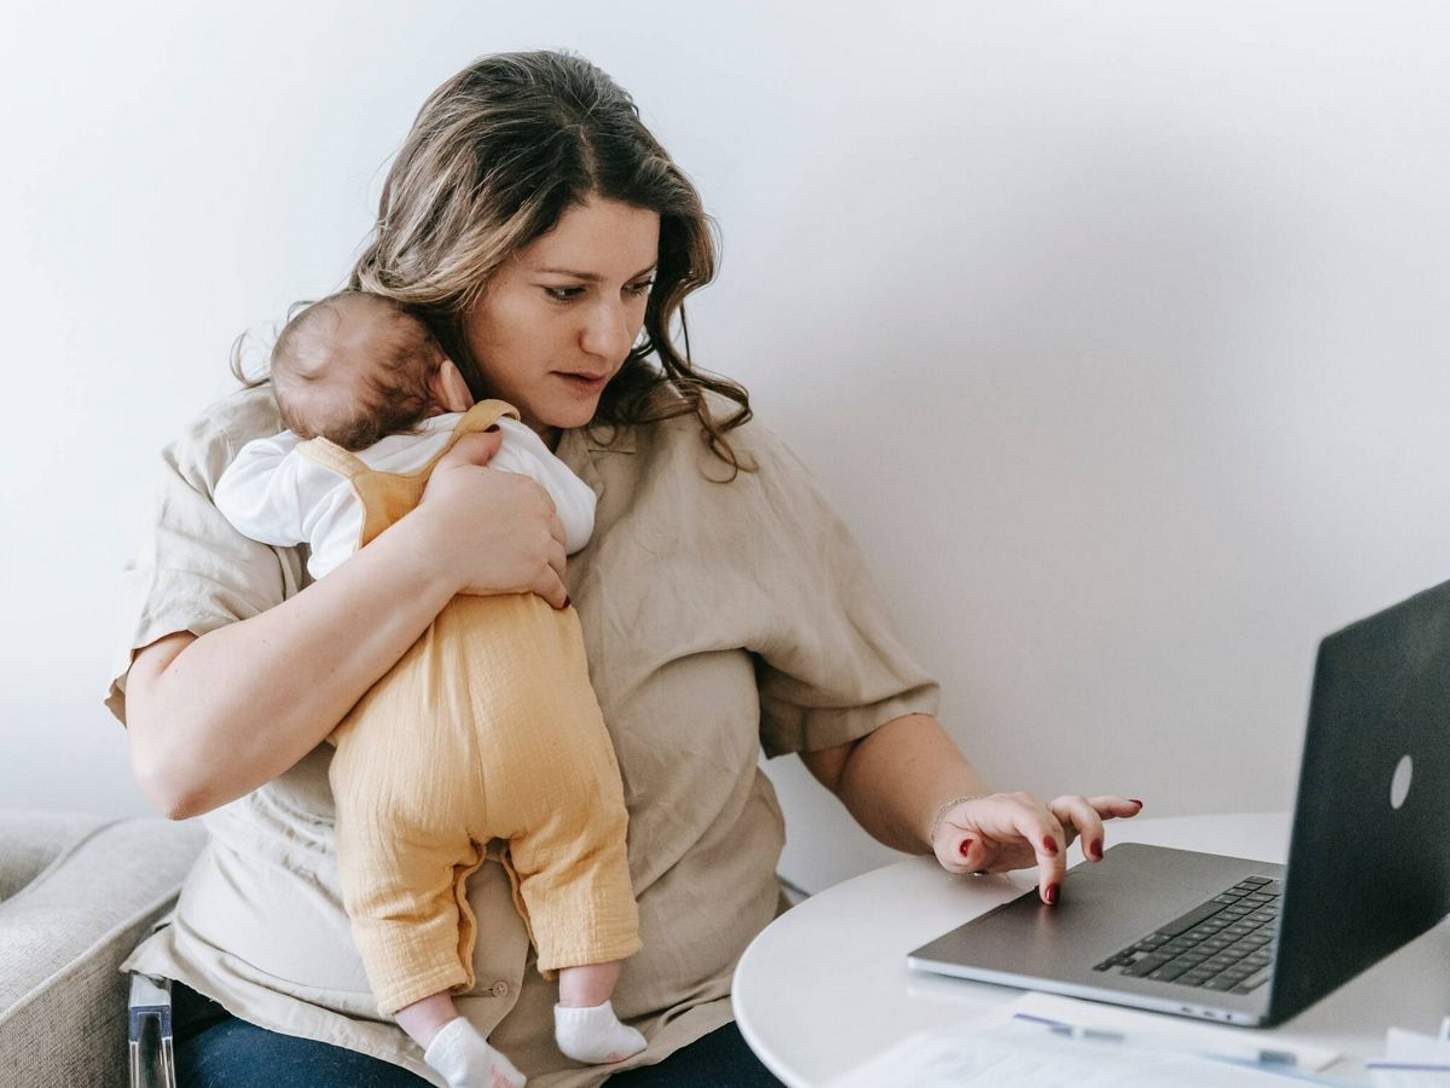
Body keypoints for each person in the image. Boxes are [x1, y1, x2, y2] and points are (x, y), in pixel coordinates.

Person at [109, 49, 1142, 1087]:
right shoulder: (260, 462)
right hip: (329, 1023)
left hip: (682, 1019)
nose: (609, 336)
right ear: (450, 268)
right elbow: (182, 761)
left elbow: (856, 717)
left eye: (636, 288)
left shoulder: (711, 459)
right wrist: (430, 552)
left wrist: (953, 812)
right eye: (565, 290)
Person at [211, 290, 649, 1086]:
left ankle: (443, 1037)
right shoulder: (494, 440)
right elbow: (577, 518)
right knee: (585, 846)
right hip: (536, 724)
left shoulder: (323, 476)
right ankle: (586, 1010)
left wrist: (302, 437)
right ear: (448, 381)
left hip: (400, 753)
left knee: (389, 891)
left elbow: (241, 496)